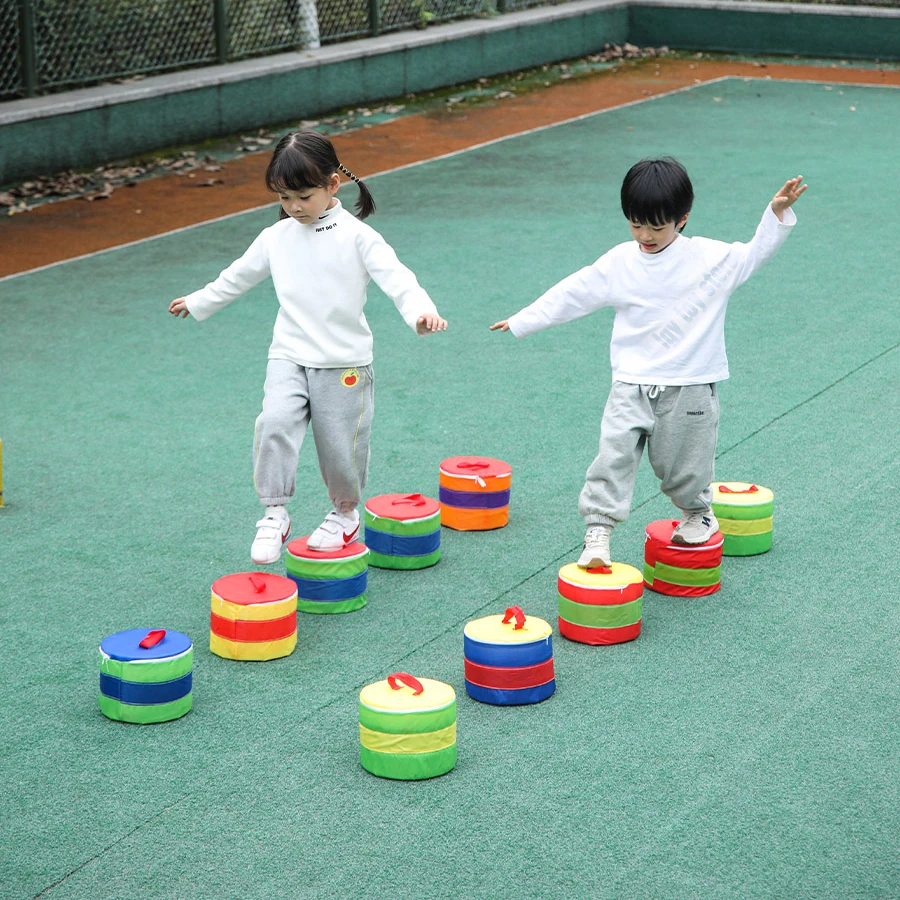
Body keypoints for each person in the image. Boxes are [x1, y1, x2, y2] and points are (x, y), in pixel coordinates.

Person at [491, 158, 806, 568]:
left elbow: (754, 254)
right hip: (630, 384)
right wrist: (523, 319)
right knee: (612, 456)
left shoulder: (710, 258)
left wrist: (776, 213)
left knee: (683, 467)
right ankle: (598, 532)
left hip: (690, 385)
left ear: (682, 218)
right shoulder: (620, 262)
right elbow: (575, 291)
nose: (645, 235)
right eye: (636, 224)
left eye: (657, 226)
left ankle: (698, 512)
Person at [169, 130, 447, 565]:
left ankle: (345, 514)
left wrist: (420, 313)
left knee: (339, 444)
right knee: (274, 420)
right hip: (289, 354)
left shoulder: (358, 238)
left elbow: (399, 280)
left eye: (303, 196)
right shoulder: (276, 237)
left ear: (333, 185)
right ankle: (275, 511)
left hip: (343, 362)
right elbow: (237, 276)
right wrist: (199, 300)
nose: (294, 208)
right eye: (284, 198)